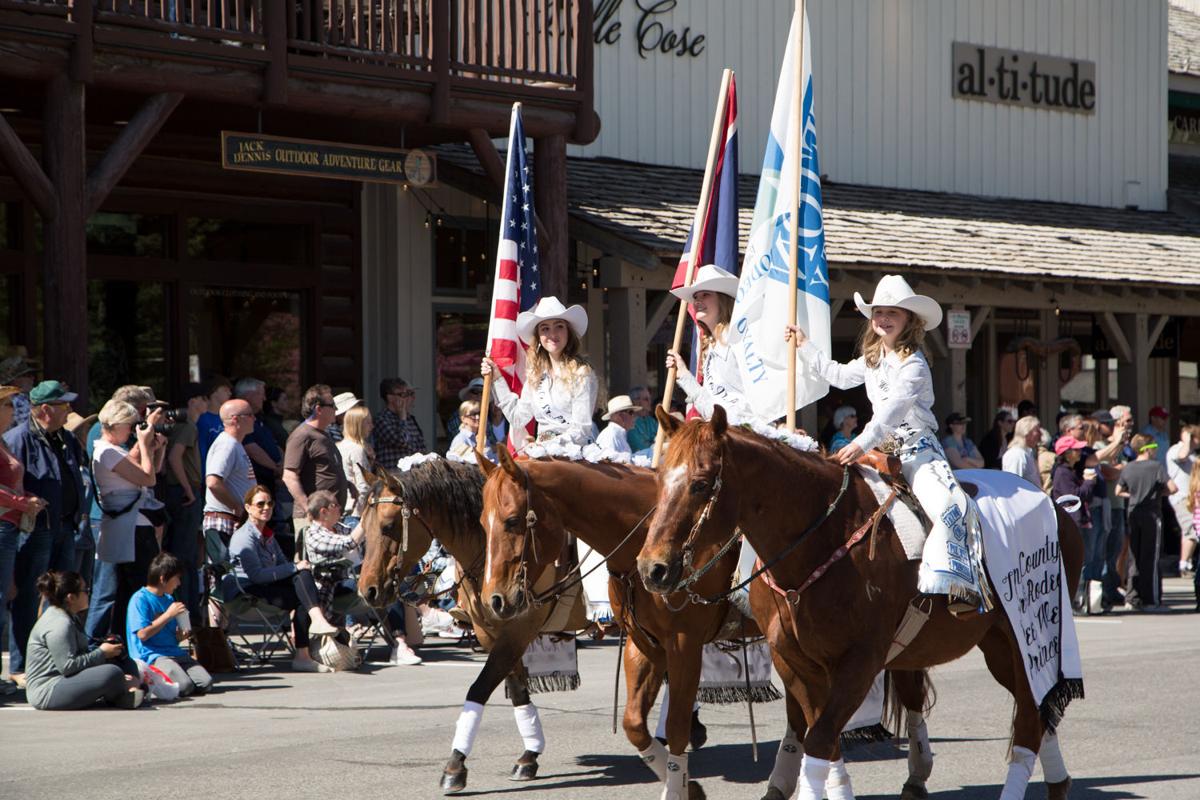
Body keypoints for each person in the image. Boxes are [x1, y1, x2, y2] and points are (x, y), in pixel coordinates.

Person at [790, 274, 986, 607]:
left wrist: (859, 444)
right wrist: (804, 345)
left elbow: (890, 414)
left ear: (909, 319)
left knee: (950, 508)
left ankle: (958, 585)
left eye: (892, 313)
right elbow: (836, 375)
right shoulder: (872, 359)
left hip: (917, 454)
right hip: (877, 451)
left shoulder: (915, 365)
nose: (883, 319)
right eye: (879, 312)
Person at [5, 381, 88, 684]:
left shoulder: (64, 437)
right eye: (63, 406)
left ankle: (60, 658)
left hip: (66, 526)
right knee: (28, 596)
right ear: (45, 410)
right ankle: (20, 666)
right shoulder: (18, 439)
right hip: (36, 529)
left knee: (64, 597)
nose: (69, 411)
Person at [229, 485, 339, 672]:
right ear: (248, 508)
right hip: (246, 590)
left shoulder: (268, 535)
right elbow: (256, 576)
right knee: (302, 590)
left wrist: (296, 568)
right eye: (260, 504)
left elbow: (283, 563)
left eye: (270, 503)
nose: (266, 507)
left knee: (303, 578)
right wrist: (295, 567)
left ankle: (308, 640)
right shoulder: (244, 537)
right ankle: (305, 649)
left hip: (268, 584)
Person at [85, 399, 167, 645]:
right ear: (116, 424)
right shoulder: (107, 451)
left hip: (130, 526)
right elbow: (148, 477)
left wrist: (151, 445)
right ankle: (106, 639)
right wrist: (144, 442)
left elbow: (138, 464)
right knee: (130, 586)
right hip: (129, 528)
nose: (133, 430)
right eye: (130, 425)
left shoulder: (112, 449)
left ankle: (122, 639)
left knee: (123, 589)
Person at [482, 296, 599, 448]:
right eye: (545, 329)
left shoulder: (582, 373)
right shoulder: (536, 376)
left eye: (559, 326)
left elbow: (581, 429)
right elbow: (517, 418)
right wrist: (496, 378)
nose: (552, 334)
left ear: (568, 332)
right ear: (538, 337)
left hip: (575, 453)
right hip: (543, 452)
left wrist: (548, 444)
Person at [24, 570, 144, 710]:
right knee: (112, 672)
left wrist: (107, 649)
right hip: (48, 690)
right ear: (71, 598)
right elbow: (68, 666)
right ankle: (125, 694)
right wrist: (102, 653)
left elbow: (79, 655)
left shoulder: (70, 616)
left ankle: (128, 693)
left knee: (122, 659)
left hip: (65, 679)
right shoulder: (59, 624)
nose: (88, 593)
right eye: (85, 590)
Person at [0, 385, 49, 694]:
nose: (11, 407)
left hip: (10, 526)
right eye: (6, 403)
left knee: (5, 598)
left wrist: (27, 497)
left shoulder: (4, 441)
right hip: (3, 524)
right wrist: (22, 503)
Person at [664, 266, 754, 424]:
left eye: (705, 295)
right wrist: (683, 374)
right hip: (725, 434)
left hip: (746, 435)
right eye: (696, 297)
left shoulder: (740, 338)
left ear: (722, 299)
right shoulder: (711, 345)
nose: (697, 301)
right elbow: (710, 407)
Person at [126, 551, 212, 697]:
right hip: (153, 655)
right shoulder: (140, 599)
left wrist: (180, 635)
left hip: (174, 652)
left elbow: (170, 634)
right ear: (163, 578)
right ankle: (152, 680)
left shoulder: (168, 599)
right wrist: (168, 615)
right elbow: (142, 634)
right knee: (184, 686)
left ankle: (169, 678)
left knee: (206, 683)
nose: (179, 584)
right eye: (177, 578)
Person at [163, 383, 207, 624]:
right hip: (184, 491)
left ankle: (186, 614)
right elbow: (174, 457)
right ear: (192, 401)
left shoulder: (179, 425)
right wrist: (189, 489)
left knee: (182, 554)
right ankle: (188, 616)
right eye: (202, 397)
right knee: (186, 557)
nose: (206, 402)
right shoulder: (187, 425)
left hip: (177, 491)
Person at [1117, 434, 1175, 611]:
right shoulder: (1156, 466)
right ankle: (1151, 600)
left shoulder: (1128, 468)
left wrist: (1134, 495)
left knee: (1134, 556)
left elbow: (1119, 490)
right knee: (1151, 556)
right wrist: (1159, 493)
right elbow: (1173, 488)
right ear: (1148, 449)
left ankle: (1132, 598)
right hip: (1152, 514)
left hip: (1133, 513)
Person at [283, 385, 348, 536]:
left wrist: (347, 485)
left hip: (330, 517)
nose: (336, 409)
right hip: (313, 519)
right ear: (318, 409)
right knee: (309, 560)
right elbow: (289, 476)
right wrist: (308, 509)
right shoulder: (302, 435)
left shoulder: (324, 434)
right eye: (332, 405)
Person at [202, 399, 257, 560]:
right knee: (226, 577)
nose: (254, 419)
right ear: (235, 419)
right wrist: (237, 507)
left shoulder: (234, 444)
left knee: (235, 576)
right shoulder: (227, 445)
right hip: (223, 521)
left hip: (231, 521)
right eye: (250, 415)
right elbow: (212, 482)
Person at [1050, 436, 1098, 612]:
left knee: (1083, 561)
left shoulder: (1071, 471)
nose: (1080, 452)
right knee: (1076, 563)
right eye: (1076, 449)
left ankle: (1080, 601)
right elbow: (1074, 496)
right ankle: (1074, 602)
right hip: (1071, 522)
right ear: (1067, 453)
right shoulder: (1063, 472)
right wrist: (1089, 482)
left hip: (1080, 520)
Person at [301, 490, 366, 619]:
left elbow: (363, 539)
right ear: (323, 512)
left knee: (391, 583)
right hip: (332, 587)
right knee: (374, 584)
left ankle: (399, 635)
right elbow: (349, 542)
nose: (340, 507)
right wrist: (366, 519)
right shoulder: (314, 534)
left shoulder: (340, 527)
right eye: (335, 505)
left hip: (350, 580)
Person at [236, 378, 285, 493]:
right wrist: (275, 468)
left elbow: (274, 443)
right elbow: (251, 448)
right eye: (261, 394)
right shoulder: (242, 419)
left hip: (271, 478)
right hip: (257, 481)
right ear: (249, 395)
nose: (264, 398)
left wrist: (282, 463)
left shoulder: (258, 418)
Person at [1165, 425, 1197, 576]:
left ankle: (1186, 562)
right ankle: (1183, 564)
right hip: (1181, 497)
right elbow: (1182, 455)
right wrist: (1187, 439)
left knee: (1189, 530)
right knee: (1191, 529)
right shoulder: (1177, 450)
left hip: (1191, 498)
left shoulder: (1192, 453)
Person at [374, 378, 426, 466]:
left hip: (414, 475)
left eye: (407, 394)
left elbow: (421, 447)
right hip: (393, 476)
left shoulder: (410, 419)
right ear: (390, 398)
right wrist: (402, 416)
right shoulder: (382, 420)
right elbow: (402, 441)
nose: (407, 398)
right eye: (402, 394)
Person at [336, 403, 374, 519]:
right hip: (355, 512)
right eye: (368, 422)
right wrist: (361, 514)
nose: (372, 426)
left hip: (343, 507)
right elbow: (363, 485)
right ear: (359, 425)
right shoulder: (356, 450)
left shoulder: (338, 446)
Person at [196, 376, 233, 467]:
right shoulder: (202, 420)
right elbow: (202, 450)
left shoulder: (229, 418)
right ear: (213, 392)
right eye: (225, 390)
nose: (230, 393)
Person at [1001, 416, 1042, 487]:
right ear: (1026, 432)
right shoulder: (1016, 454)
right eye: (1037, 430)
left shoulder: (1026, 452)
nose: (1041, 434)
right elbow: (1013, 485)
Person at [625, 385, 658, 453]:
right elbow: (640, 447)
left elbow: (664, 439)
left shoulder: (652, 421)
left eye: (649, 399)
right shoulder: (629, 422)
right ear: (636, 402)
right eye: (646, 399)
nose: (650, 402)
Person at [262, 386, 291, 452]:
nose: (288, 402)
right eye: (285, 399)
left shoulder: (275, 422)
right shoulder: (271, 423)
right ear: (274, 403)